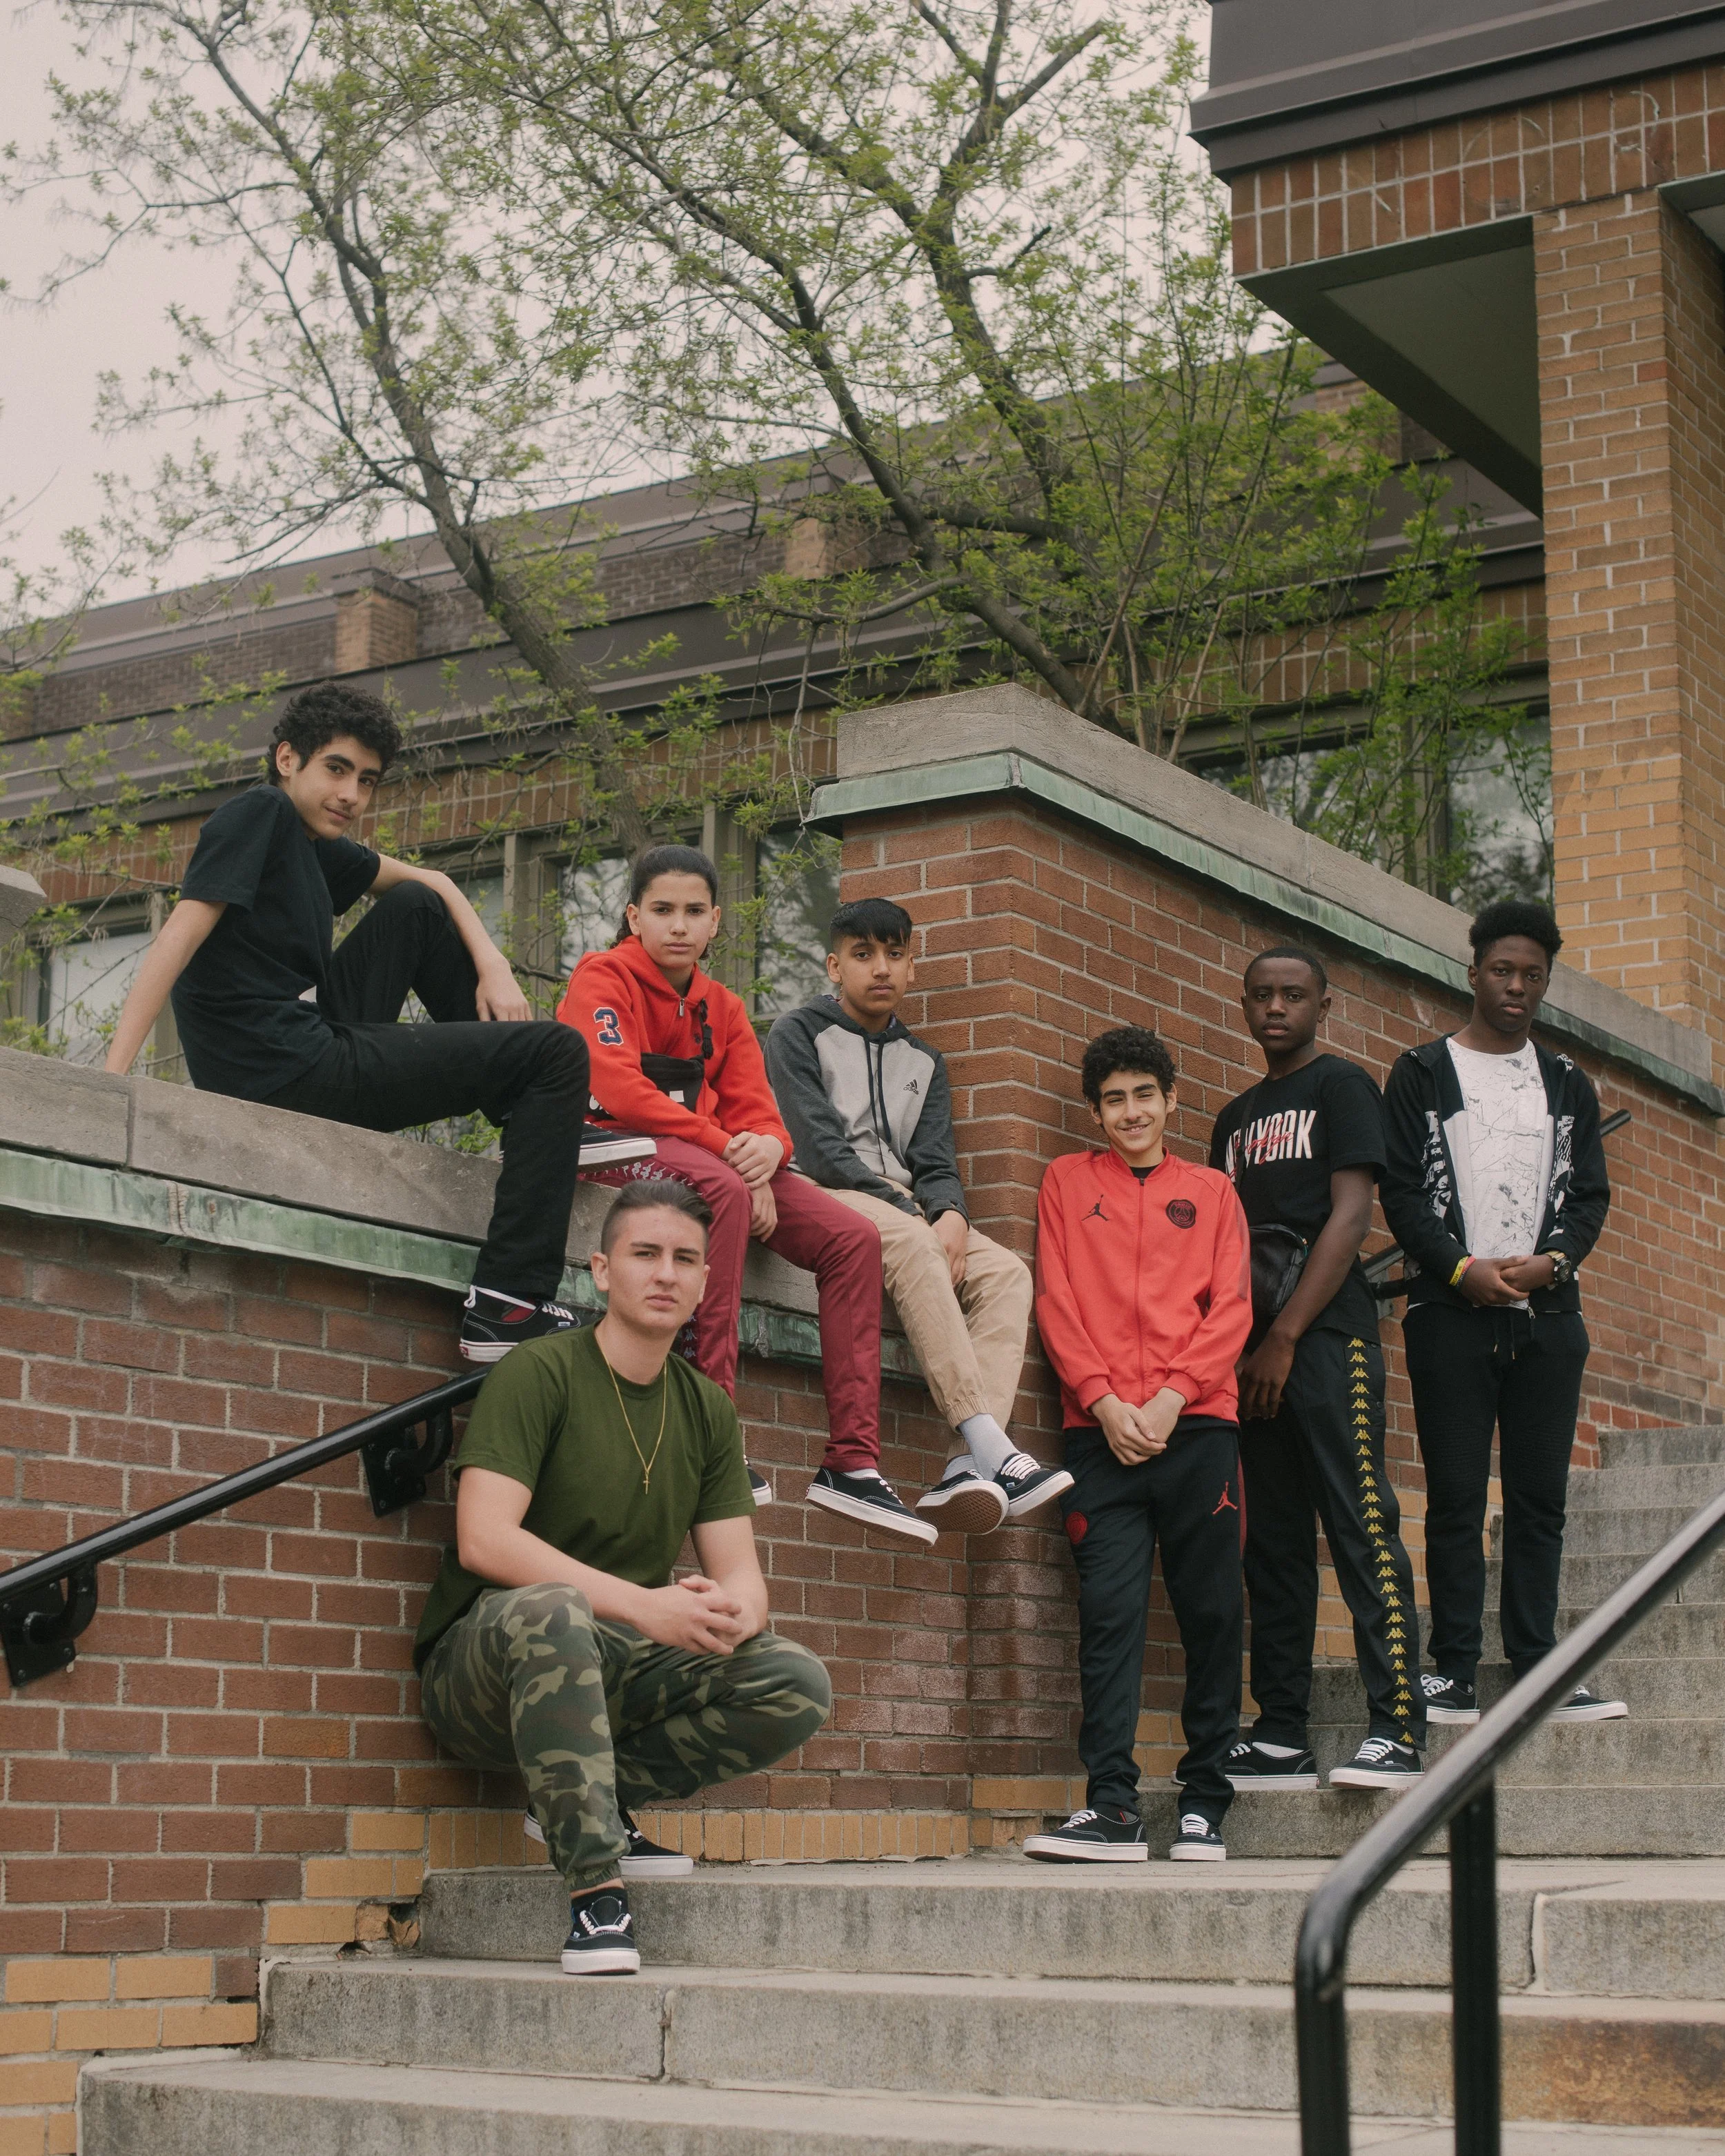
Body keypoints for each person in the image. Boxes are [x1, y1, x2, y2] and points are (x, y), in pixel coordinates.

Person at [414, 1178, 832, 1975]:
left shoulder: (707, 1407)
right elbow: (484, 1539)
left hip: (611, 1664)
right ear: (603, 1270)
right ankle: (596, 1892)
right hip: (485, 1673)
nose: (665, 1273)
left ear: (707, 1282)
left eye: (684, 1259)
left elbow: (741, 1571)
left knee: (792, 1676)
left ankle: (588, 1795)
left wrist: (733, 1612)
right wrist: (647, 1605)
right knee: (556, 1610)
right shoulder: (538, 1371)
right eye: (645, 1254)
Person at [103, 683, 590, 1364]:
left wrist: (494, 964)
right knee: (557, 1053)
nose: (352, 795)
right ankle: (510, 1303)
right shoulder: (259, 814)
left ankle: (534, 1111)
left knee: (416, 907)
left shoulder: (313, 844)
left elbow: (437, 885)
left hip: (306, 1043)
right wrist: (111, 1082)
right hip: (283, 1070)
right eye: (336, 769)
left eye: (367, 780)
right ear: (286, 760)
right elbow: (176, 942)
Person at [560, 846, 936, 1545]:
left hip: (713, 1157)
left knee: (853, 1235)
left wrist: (768, 1152)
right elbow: (617, 1090)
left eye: (694, 911)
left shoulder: (723, 1005)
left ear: (715, 921)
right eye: (662, 910)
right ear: (632, 915)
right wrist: (730, 1153)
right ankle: (713, 1427)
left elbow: (760, 1113)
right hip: (614, 1146)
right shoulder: (600, 976)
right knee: (726, 1189)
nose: (678, 925)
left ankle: (852, 1462)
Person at [1381, 899, 1621, 1727]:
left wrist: (1554, 1259)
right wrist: (1459, 1268)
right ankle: (1449, 1668)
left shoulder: (1566, 1084)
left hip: (1549, 1317)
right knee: (1451, 1494)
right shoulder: (1420, 1072)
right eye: (1502, 970)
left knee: (1537, 1498)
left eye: (1532, 975)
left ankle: (1534, 1661)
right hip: (1449, 1315)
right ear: (1473, 969)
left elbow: (1589, 1195)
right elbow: (1401, 1194)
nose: (1515, 986)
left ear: (1544, 984)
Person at [765, 897, 1068, 1533]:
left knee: (1009, 1273)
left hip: (909, 1215)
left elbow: (934, 1161)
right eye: (863, 954)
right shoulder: (796, 1034)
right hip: (830, 1197)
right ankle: (991, 1442)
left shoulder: (926, 1061)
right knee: (913, 1238)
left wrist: (952, 1213)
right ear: (833, 965)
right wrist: (914, 1212)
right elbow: (818, 1147)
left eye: (895, 955)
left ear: (912, 967)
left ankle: (964, 1466)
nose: (881, 968)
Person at [1027, 1027, 1252, 1864]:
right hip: (1100, 1438)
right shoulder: (1065, 1181)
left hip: (1195, 1428)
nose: (1130, 1111)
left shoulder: (1213, 1191)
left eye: (1143, 1095)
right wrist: (1102, 1400)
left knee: (1210, 1612)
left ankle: (1203, 1803)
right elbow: (1056, 1299)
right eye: (1114, 1098)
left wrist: (1166, 1397)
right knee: (1110, 1617)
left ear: (1169, 1099)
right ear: (1095, 1109)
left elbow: (1229, 1307)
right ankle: (1113, 1807)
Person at [1211, 947, 1425, 1793]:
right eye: (1261, 995)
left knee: (1359, 1519)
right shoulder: (1233, 1118)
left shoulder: (1341, 1087)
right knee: (1271, 1544)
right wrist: (1239, 1348)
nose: (1275, 1007)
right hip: (1250, 1357)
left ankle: (1397, 1726)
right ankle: (1282, 1730)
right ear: (1244, 1004)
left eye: (1292, 995)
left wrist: (1288, 1333)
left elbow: (1351, 1217)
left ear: (1322, 1006)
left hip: (1326, 1339)